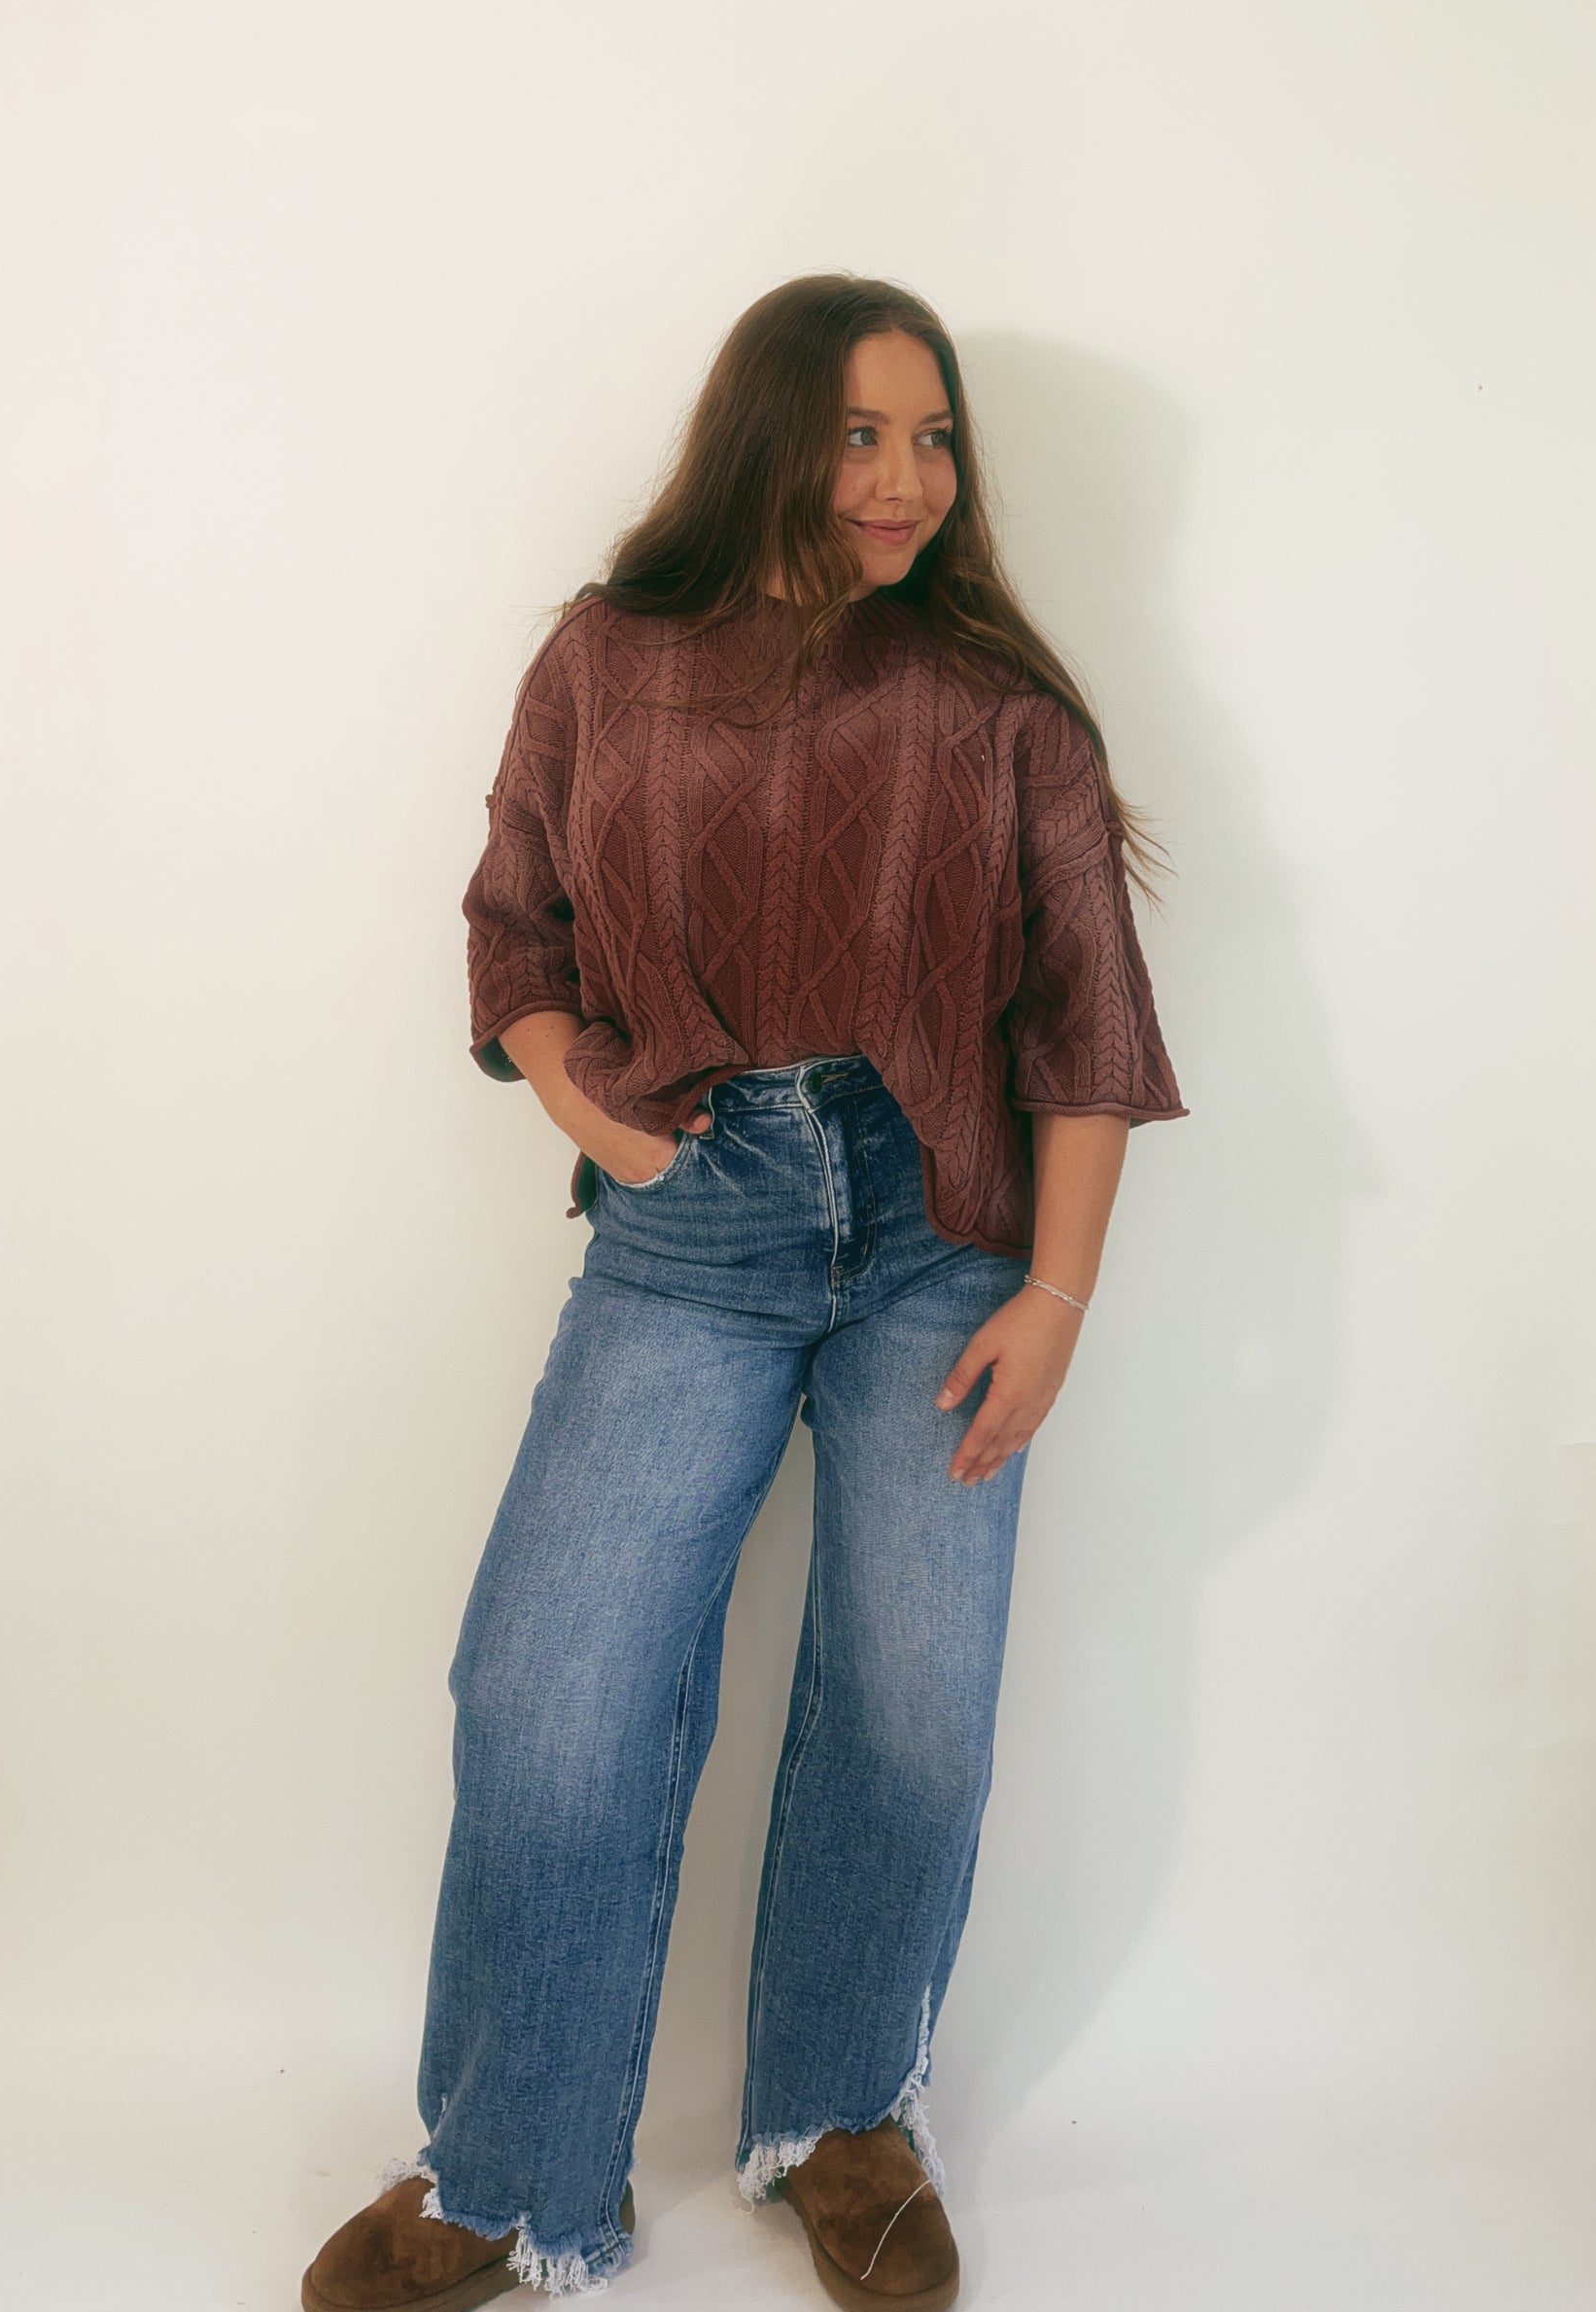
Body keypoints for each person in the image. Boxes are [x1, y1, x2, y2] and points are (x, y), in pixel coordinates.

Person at [302, 273, 1187, 2311]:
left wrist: (1054, 1296)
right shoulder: (604, 658)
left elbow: (1084, 1022)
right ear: (764, 434)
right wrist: (595, 1120)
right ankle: (505, 2175)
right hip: (688, 1226)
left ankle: (840, 2117)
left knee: (913, 1709)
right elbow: (513, 918)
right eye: (859, 431)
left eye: (933, 436)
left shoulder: (1001, 707)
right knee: (547, 1694)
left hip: (942, 1233)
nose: (903, 478)